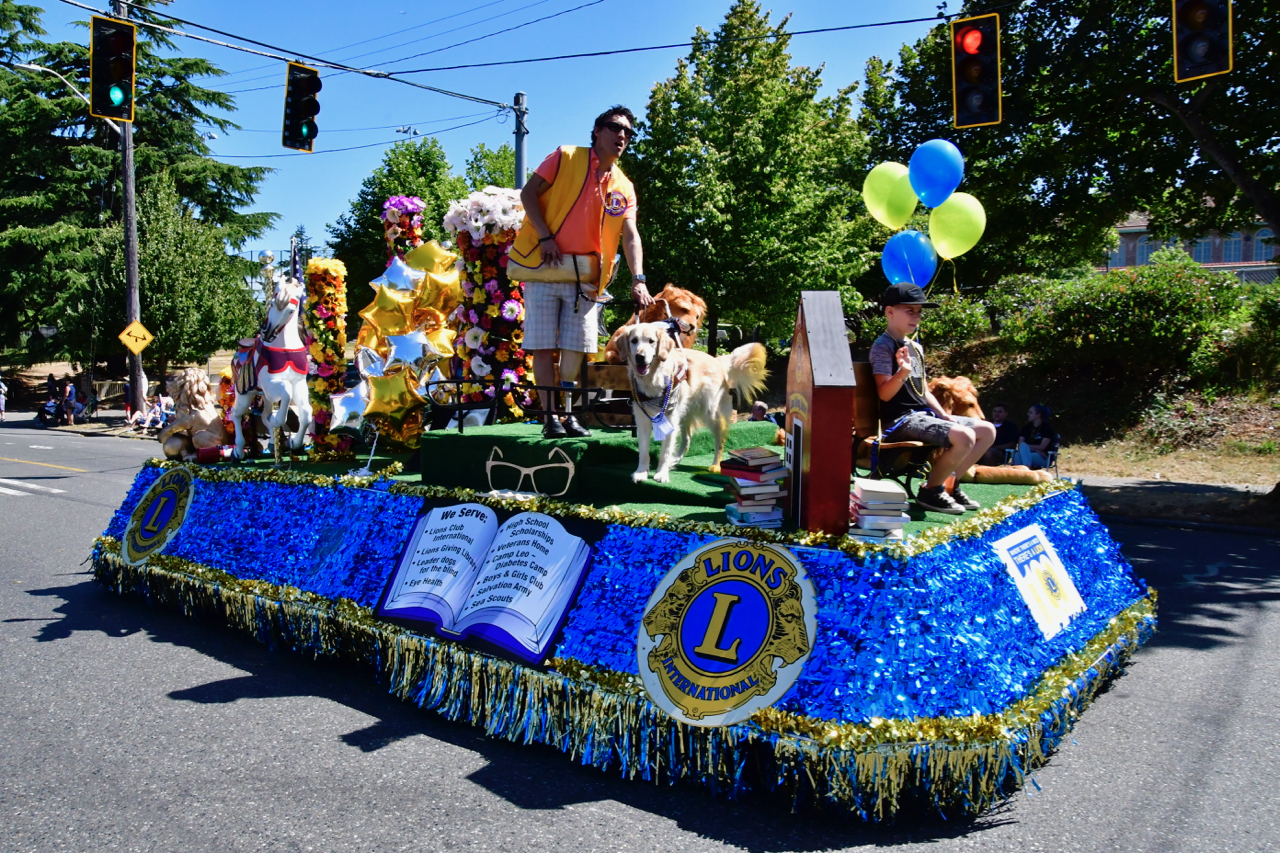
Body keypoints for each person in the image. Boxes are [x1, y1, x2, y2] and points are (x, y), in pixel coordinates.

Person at [515, 105, 652, 439]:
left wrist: (638, 278)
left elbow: (630, 234)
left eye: (628, 132)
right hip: (545, 264)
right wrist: (546, 236)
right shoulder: (565, 156)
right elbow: (528, 193)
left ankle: (567, 413)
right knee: (544, 345)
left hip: (587, 275)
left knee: (577, 347)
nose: (622, 136)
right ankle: (551, 418)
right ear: (597, 131)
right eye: (615, 127)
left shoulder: (624, 185)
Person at [870, 282, 996, 514]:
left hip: (924, 416)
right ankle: (931, 490)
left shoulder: (915, 347)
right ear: (889, 312)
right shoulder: (882, 347)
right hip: (900, 421)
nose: (916, 317)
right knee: (965, 436)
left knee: (987, 430)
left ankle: (949, 484)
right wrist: (903, 372)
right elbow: (884, 394)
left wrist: (943, 415)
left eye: (919, 312)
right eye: (910, 311)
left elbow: (924, 390)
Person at [1015, 404, 1059, 469]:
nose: (1028, 414)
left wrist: (1026, 447)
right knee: (1017, 455)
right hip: (1031, 453)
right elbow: (1020, 445)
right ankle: (1026, 471)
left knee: (1019, 455)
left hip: (1043, 457)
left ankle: (1025, 472)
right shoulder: (1026, 428)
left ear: (1038, 415)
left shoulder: (1047, 429)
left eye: (1031, 412)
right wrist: (1035, 449)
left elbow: (1041, 447)